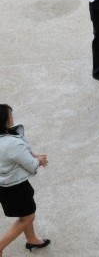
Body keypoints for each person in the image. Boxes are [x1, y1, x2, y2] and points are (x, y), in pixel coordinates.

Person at [0, 105, 50, 255]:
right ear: (5, 120)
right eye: (10, 115)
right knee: (27, 218)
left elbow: (16, 156)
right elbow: (31, 166)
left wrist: (32, 155)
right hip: (15, 188)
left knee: (24, 213)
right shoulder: (12, 144)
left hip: (3, 186)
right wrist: (39, 160)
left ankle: (31, 239)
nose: (12, 117)